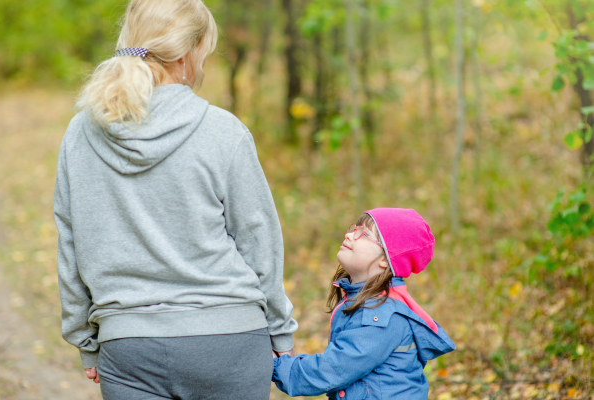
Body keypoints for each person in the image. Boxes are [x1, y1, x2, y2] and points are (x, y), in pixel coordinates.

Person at [53, 0, 297, 399]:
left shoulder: (81, 133)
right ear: (187, 53)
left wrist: (84, 339)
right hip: (230, 340)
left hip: (128, 345)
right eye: (205, 50)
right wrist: (280, 331)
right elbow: (259, 240)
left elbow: (72, 243)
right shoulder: (223, 131)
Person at [272, 208, 455, 399]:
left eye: (363, 234)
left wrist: (278, 367)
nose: (349, 235)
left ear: (386, 259)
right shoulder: (368, 302)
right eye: (354, 228)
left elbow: (334, 369)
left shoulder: (380, 318)